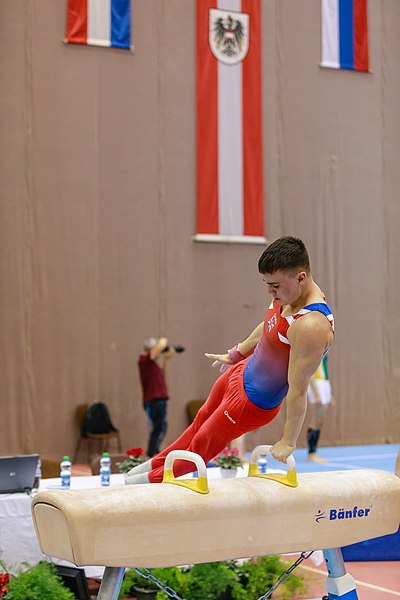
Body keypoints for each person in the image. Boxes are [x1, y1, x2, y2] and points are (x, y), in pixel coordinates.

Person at [127, 236, 334, 484]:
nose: (270, 291)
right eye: (267, 284)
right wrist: (237, 353)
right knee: (197, 426)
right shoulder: (288, 293)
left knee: (202, 444)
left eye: (275, 285)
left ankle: (142, 484)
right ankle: (155, 464)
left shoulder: (311, 326)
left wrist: (288, 441)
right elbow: (268, 326)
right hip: (239, 372)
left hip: (251, 403)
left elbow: (298, 391)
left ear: (301, 277)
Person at [137, 337, 175, 458]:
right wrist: (164, 341)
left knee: (161, 427)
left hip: (160, 400)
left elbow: (163, 374)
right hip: (153, 401)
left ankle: (155, 451)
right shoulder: (144, 360)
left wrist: (167, 359)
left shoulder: (153, 364)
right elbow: (160, 346)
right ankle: (151, 454)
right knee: (156, 428)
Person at [306, 354, 334, 462]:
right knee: (315, 419)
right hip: (316, 383)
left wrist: (329, 393)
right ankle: (311, 454)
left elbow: (324, 369)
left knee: (319, 421)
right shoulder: (315, 348)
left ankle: (314, 452)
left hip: (324, 383)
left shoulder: (325, 349)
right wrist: (316, 391)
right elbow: (310, 370)